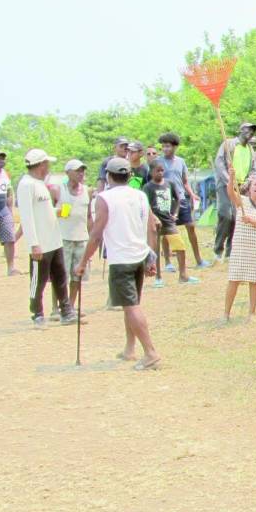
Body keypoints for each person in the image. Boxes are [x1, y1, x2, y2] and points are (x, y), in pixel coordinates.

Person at [75, 156, 160, 369]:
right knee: (130, 304)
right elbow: (151, 227)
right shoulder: (140, 195)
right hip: (140, 256)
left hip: (121, 259)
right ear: (129, 175)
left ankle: (150, 353)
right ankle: (130, 348)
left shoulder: (104, 198)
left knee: (131, 306)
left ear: (108, 176)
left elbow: (96, 234)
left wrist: (83, 261)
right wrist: (151, 257)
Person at [17, 149, 77, 327]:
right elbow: (27, 217)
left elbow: (41, 209)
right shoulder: (26, 184)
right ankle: (37, 313)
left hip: (54, 241)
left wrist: (56, 211)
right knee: (39, 280)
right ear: (41, 165)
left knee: (60, 277)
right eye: (47, 163)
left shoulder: (40, 183)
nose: (48, 166)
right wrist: (34, 244)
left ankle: (66, 310)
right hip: (40, 244)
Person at [223, 169, 256, 321]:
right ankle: (226, 313)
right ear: (250, 187)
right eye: (255, 184)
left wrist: (251, 221)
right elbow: (230, 192)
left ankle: (252, 312)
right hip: (240, 244)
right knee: (234, 278)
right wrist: (231, 176)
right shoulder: (242, 201)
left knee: (254, 279)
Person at [157, 132, 210, 270]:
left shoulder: (181, 162)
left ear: (174, 147)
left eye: (168, 146)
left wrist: (192, 194)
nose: (165, 149)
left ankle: (199, 260)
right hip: (166, 199)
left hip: (181, 198)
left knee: (191, 226)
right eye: (163, 146)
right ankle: (168, 262)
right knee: (167, 231)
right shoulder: (158, 162)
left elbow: (185, 181)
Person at [142, 161, 197, 287]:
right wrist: (154, 218)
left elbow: (177, 199)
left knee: (180, 246)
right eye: (158, 170)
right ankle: (158, 277)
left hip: (168, 221)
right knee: (155, 251)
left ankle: (183, 275)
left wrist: (175, 213)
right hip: (155, 223)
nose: (160, 173)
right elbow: (146, 205)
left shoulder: (169, 183)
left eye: (162, 170)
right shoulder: (148, 187)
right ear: (151, 172)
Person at [212, 122, 256, 260]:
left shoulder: (250, 149)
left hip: (242, 187)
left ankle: (230, 251)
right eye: (248, 129)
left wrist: (248, 182)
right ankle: (217, 250)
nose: (250, 132)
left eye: (252, 130)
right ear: (240, 130)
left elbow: (253, 170)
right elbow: (219, 164)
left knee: (237, 219)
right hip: (226, 185)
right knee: (226, 215)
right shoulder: (229, 144)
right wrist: (229, 181)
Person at [58, 159, 91, 309]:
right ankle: (56, 308)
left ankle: (70, 306)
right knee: (60, 275)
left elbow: (89, 216)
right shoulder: (59, 190)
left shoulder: (86, 191)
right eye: (77, 170)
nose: (81, 173)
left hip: (81, 238)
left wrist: (91, 236)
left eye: (82, 170)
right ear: (68, 173)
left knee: (77, 275)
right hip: (63, 238)